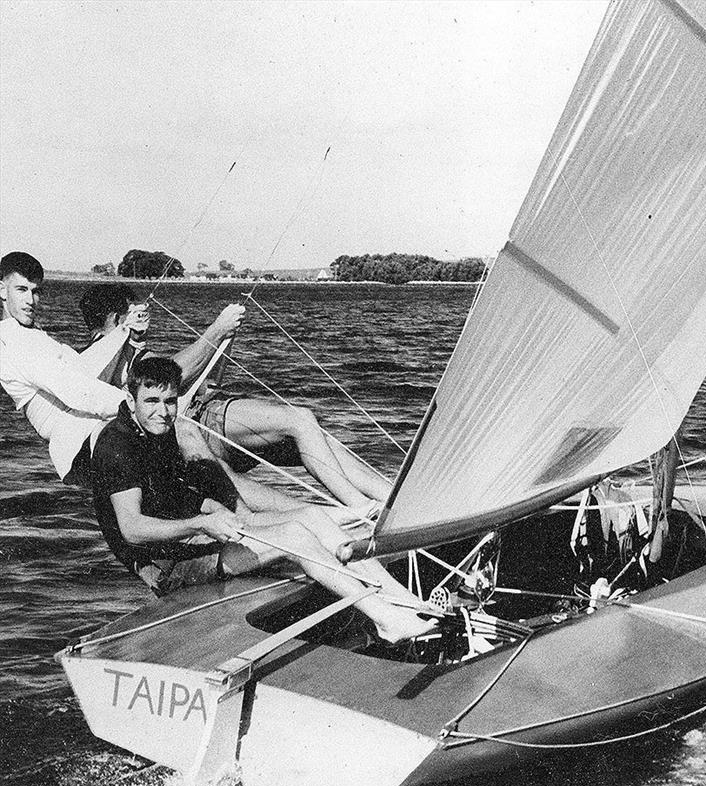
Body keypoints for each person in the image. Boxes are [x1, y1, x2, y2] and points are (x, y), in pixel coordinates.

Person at [91, 355, 434, 643]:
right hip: (173, 570)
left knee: (315, 519)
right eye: (152, 401)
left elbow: (174, 496)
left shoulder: (159, 430)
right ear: (129, 396)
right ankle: (385, 621)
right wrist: (200, 522)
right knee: (294, 536)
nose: (163, 412)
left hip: (197, 541)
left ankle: (402, 601)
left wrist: (211, 509)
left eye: (170, 401)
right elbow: (132, 529)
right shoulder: (117, 447)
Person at [78, 282, 390, 511]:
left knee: (312, 437)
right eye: (136, 315)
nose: (144, 321)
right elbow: (171, 377)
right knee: (300, 420)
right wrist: (216, 329)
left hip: (203, 423)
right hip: (198, 426)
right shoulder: (103, 357)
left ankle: (386, 498)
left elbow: (207, 381)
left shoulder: (128, 351)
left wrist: (224, 342)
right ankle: (358, 509)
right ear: (116, 320)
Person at [0, 251, 242, 485]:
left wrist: (126, 332)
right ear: (2, 290)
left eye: (36, 291)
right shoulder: (13, 342)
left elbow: (82, 369)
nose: (31, 301)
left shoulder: (29, 335)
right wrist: (139, 407)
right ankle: (243, 513)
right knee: (185, 433)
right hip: (80, 445)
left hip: (87, 437)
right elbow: (78, 391)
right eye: (21, 290)